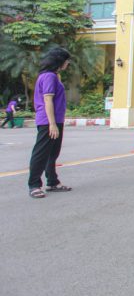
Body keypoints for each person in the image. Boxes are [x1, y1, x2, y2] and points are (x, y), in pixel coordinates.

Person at [28, 48, 72, 198]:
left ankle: (52, 182)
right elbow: (48, 99)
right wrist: (52, 124)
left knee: (52, 153)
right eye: (66, 60)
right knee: (41, 153)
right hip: (48, 120)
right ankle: (34, 185)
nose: (68, 63)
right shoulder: (49, 76)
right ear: (60, 61)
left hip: (55, 119)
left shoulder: (53, 76)